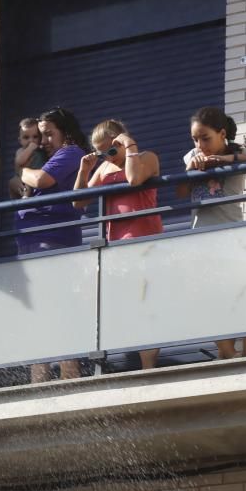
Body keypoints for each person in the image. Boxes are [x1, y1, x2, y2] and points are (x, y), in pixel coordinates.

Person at [179, 107, 246, 360]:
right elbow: (181, 192)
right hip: (201, 236)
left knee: (231, 292)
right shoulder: (192, 155)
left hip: (231, 235)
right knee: (210, 296)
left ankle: (228, 349)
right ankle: (226, 350)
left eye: (205, 138)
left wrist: (225, 161)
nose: (200, 144)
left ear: (222, 134)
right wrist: (191, 169)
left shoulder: (237, 152)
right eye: (195, 139)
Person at [74, 120, 162, 370]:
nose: (107, 157)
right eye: (102, 152)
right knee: (125, 307)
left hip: (145, 244)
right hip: (116, 249)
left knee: (145, 305)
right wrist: (85, 171)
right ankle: (109, 365)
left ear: (120, 140)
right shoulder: (103, 169)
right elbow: (78, 203)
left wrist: (130, 145)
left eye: (110, 150)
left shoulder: (147, 157)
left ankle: (149, 368)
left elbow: (134, 179)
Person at [15, 107, 88, 383]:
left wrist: (24, 172)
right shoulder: (52, 158)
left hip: (52, 241)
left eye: (48, 134)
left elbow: (41, 180)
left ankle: (68, 376)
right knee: (40, 313)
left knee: (57, 309)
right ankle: (40, 379)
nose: (43, 141)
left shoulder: (70, 153)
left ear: (65, 133)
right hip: (35, 242)